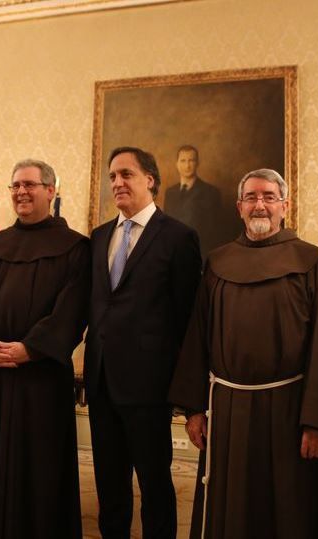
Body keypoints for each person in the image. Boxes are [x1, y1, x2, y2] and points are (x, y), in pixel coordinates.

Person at [168, 168, 318, 538]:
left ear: (284, 206)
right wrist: (195, 409)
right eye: (251, 198)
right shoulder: (217, 263)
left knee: (288, 507)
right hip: (228, 408)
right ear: (239, 207)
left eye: (268, 197)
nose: (259, 205)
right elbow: (197, 338)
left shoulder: (311, 263)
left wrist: (317, 421)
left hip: (290, 411)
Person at [0, 159, 89, 538]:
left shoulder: (76, 248)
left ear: (51, 190)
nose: (20, 192)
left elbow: (73, 308)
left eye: (29, 185)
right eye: (15, 186)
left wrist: (31, 348)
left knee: (38, 466)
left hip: (41, 378)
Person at [85, 147, 202, 538]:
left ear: (150, 179)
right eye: (112, 176)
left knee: (154, 485)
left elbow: (187, 319)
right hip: (102, 383)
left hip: (150, 387)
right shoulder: (99, 236)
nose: (117, 182)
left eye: (126, 174)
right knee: (110, 485)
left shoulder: (179, 238)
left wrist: (187, 393)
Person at [163, 145, 225, 257]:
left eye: (191, 160)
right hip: (173, 256)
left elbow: (216, 233)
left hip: (200, 256)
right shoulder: (170, 193)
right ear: (177, 164)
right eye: (183, 161)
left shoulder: (211, 192)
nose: (187, 166)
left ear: (197, 163)